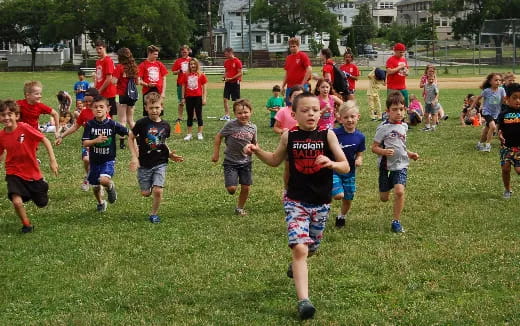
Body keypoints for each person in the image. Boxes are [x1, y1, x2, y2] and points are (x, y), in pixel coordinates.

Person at [243, 93, 349, 320]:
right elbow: (274, 160)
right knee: (300, 249)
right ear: (293, 114)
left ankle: (296, 264)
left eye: (315, 109)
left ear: (321, 113)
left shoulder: (327, 135)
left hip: (321, 203)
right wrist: (256, 150)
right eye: (305, 110)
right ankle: (304, 301)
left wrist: (330, 162)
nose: (311, 113)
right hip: (295, 201)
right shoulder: (288, 136)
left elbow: (345, 166)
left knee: (311, 247)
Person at [0, 99, 59, 233]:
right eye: (3, 115)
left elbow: (44, 139)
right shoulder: (1, 136)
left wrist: (52, 160)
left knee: (42, 203)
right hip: (13, 172)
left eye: (10, 114)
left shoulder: (24, 128)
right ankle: (26, 225)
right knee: (17, 201)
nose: (6, 117)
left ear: (17, 115)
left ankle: (42, 184)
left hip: (32, 172)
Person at [128, 92, 184, 223]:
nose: (154, 110)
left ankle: (154, 214)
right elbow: (130, 138)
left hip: (160, 162)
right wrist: (134, 157)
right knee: (145, 193)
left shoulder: (165, 125)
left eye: (157, 107)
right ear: (146, 108)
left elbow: (162, 142)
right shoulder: (142, 123)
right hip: (144, 163)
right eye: (151, 108)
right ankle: (150, 186)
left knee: (158, 191)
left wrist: (170, 154)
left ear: (162, 107)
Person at [371, 91, 419, 233]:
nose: (398, 113)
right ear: (388, 111)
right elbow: (374, 147)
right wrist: (383, 152)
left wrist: (410, 154)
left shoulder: (404, 127)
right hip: (385, 166)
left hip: (401, 165)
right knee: (384, 198)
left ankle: (396, 221)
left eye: (401, 109)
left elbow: (401, 146)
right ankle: (390, 183)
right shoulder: (383, 128)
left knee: (399, 191)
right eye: (394, 110)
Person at [82, 96, 129, 212]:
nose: (98, 109)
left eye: (101, 107)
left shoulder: (112, 124)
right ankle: (101, 202)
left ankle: (110, 186)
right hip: (94, 161)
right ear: (91, 109)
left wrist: (138, 137)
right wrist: (95, 141)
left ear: (108, 109)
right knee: (95, 186)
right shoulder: (89, 125)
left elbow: (128, 132)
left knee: (103, 180)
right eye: (95, 107)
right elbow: (85, 143)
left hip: (108, 160)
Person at [212, 99, 257, 216]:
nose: (243, 115)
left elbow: (255, 143)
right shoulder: (230, 125)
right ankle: (231, 182)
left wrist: (255, 150)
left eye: (246, 112)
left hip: (246, 161)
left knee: (246, 187)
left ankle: (239, 208)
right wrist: (216, 153)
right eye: (239, 113)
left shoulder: (253, 128)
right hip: (230, 162)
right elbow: (218, 137)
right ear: (235, 114)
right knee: (232, 189)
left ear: (251, 112)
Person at [56, 88, 108, 191]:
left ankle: (98, 185)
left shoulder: (102, 111)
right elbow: (75, 126)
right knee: (86, 159)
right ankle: (88, 175)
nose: (87, 103)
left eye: (90, 101)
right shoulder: (84, 112)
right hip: (88, 142)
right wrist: (61, 136)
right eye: (85, 101)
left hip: (101, 143)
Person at [331, 101, 365, 228]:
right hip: (334, 170)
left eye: (352, 116)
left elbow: (360, 153)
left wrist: (359, 159)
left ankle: (341, 216)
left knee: (348, 198)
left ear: (358, 117)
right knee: (339, 195)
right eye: (346, 117)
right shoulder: (334, 133)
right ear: (340, 118)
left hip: (350, 172)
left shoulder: (360, 137)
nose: (349, 120)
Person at [472, 73, 505, 152]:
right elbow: (478, 98)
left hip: (496, 114)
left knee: (486, 130)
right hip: (486, 112)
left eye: (499, 80)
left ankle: (479, 144)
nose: (498, 82)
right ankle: (487, 145)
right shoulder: (487, 91)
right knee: (493, 127)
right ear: (490, 82)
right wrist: (471, 107)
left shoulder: (501, 90)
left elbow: (505, 100)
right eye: (496, 80)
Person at [497, 83, 520, 199]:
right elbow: (499, 129)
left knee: (518, 170)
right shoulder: (503, 114)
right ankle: (507, 190)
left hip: (519, 148)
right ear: (507, 99)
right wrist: (500, 135)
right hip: (506, 147)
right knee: (505, 169)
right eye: (514, 97)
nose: (518, 100)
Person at [113, 47, 138, 149]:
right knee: (130, 120)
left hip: (120, 95)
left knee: (122, 120)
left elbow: (113, 81)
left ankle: (122, 143)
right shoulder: (134, 67)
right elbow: (138, 82)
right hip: (132, 95)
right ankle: (138, 137)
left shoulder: (119, 67)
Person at [180, 58, 207, 141]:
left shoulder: (201, 75)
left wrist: (204, 98)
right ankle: (189, 134)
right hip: (189, 97)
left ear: (197, 65)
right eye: (191, 64)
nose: (193, 65)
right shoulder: (185, 75)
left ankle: (199, 133)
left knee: (199, 116)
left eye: (194, 64)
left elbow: (204, 88)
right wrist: (183, 98)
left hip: (198, 97)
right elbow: (183, 87)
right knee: (190, 116)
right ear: (189, 65)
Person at [138, 45, 169, 116]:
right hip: (147, 92)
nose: (156, 56)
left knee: (158, 112)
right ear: (149, 53)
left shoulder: (159, 64)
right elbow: (138, 80)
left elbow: (164, 78)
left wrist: (163, 92)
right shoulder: (143, 65)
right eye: (155, 54)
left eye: (157, 54)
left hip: (158, 91)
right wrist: (147, 84)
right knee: (149, 112)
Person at [281, 37, 312, 104]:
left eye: (294, 46)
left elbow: (309, 69)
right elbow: (287, 74)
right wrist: (283, 86)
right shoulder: (288, 58)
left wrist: (302, 84)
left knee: (301, 106)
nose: (292, 48)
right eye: (291, 46)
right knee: (289, 106)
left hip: (300, 88)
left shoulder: (303, 56)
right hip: (290, 87)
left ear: (298, 46)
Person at [94, 40, 118, 117]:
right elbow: (98, 77)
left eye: (100, 48)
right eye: (97, 49)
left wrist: (100, 90)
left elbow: (109, 78)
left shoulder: (108, 61)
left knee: (108, 115)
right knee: (99, 114)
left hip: (108, 93)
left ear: (104, 48)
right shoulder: (98, 61)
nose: (98, 51)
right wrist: (95, 89)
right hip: (100, 92)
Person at [220, 48, 243, 121]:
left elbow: (240, 73)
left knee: (236, 101)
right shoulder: (226, 61)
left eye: (226, 54)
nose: (225, 55)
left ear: (230, 53)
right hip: (228, 82)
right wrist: (224, 76)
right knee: (225, 99)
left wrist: (232, 78)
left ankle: (238, 115)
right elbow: (226, 71)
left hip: (235, 83)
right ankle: (227, 115)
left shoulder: (237, 61)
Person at [172, 45, 192, 122]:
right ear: (181, 52)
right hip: (180, 83)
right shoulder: (178, 61)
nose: (184, 53)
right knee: (181, 102)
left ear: (188, 52)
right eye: (183, 52)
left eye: (185, 52)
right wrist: (178, 71)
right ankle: (180, 117)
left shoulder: (192, 60)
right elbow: (173, 72)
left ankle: (193, 116)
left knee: (191, 101)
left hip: (190, 83)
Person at [386, 43, 409, 107]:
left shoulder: (404, 60)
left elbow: (406, 70)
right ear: (395, 51)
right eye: (400, 52)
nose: (402, 54)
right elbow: (389, 71)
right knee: (392, 104)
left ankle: (404, 115)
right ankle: (391, 116)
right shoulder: (390, 60)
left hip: (402, 86)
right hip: (393, 87)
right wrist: (399, 67)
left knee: (405, 102)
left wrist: (406, 72)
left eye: (403, 52)